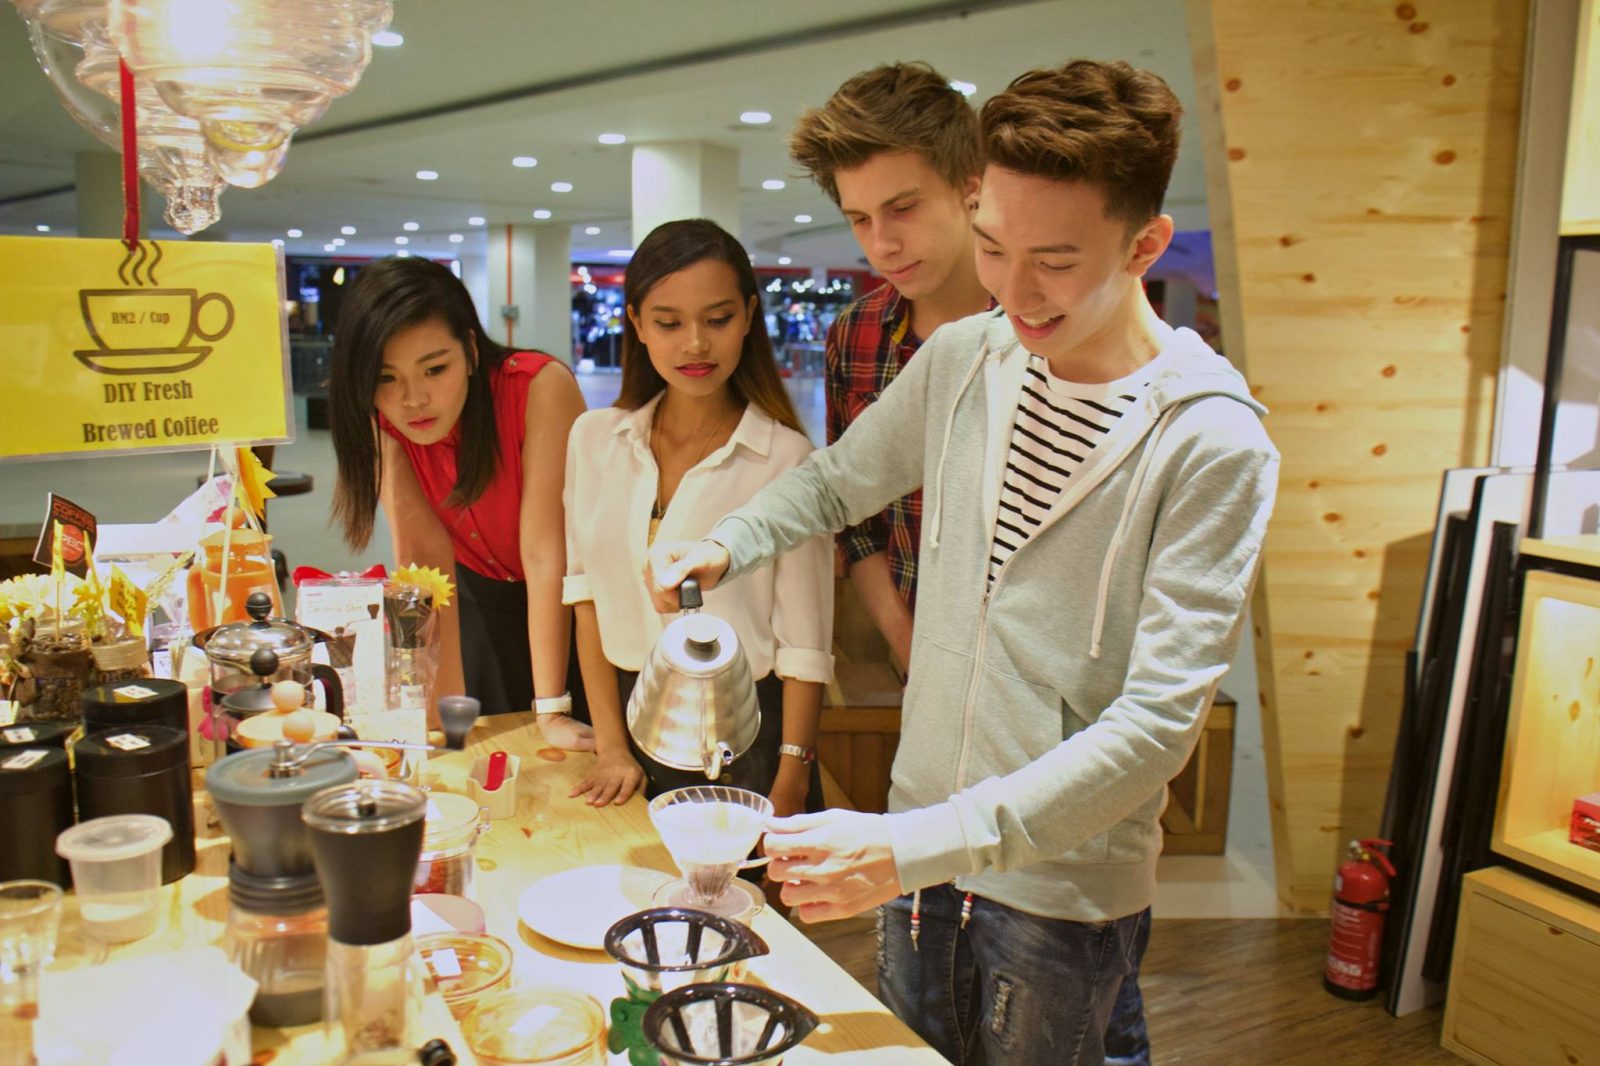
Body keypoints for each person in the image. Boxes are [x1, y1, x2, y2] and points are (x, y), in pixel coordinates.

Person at [647, 60, 1279, 1066]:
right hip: (917, 840)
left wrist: (911, 845)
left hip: (1061, 888)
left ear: (1145, 242)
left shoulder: (1210, 442)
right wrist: (727, 539)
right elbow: (835, 484)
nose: (1014, 294)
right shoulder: (966, 358)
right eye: (992, 247)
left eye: (1056, 260)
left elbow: (1154, 728)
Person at [563, 219, 832, 817]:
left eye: (717, 319)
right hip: (626, 727)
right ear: (634, 322)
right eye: (668, 322)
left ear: (748, 316)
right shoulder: (595, 438)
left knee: (737, 911)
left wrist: (790, 782)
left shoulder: (784, 457)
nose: (695, 344)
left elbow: (804, 648)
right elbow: (585, 598)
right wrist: (610, 745)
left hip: (745, 739)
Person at [328, 256, 592, 748]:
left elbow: (545, 554)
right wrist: (433, 723)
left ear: (470, 351)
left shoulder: (536, 386)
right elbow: (425, 566)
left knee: (581, 755)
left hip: (575, 601)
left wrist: (552, 708)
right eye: (387, 378)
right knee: (475, 745)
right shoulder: (383, 423)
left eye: (435, 369)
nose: (413, 399)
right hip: (478, 598)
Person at [788, 62, 992, 674]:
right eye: (859, 219)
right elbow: (854, 514)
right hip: (918, 659)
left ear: (970, 187)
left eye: (903, 208)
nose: (881, 244)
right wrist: (908, 643)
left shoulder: (1042, 327)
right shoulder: (858, 334)